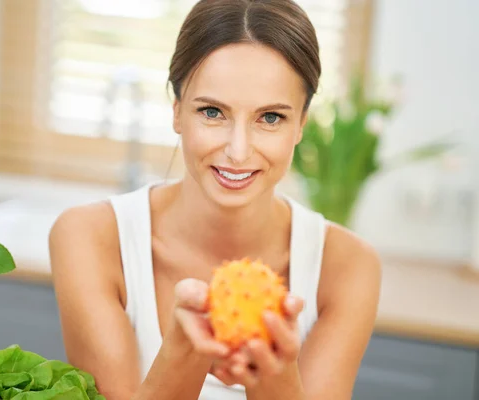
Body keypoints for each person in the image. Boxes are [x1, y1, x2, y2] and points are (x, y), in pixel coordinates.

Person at [48, 0, 382, 399]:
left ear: (301, 125)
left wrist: (276, 377)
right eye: (212, 112)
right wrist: (181, 353)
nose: (238, 151)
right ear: (176, 111)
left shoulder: (347, 267)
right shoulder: (90, 238)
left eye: (271, 117)